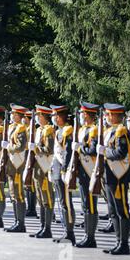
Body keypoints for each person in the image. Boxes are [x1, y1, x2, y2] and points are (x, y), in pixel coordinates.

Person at [99, 104, 130, 255]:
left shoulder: (121, 131)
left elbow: (121, 153)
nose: (106, 117)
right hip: (109, 175)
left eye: (108, 114)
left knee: (122, 210)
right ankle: (118, 241)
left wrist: (105, 151)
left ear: (114, 115)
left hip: (118, 176)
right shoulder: (109, 131)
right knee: (112, 210)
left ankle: (124, 244)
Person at [74, 102, 100, 248]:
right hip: (83, 169)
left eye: (84, 113)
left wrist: (80, 147)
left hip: (89, 169)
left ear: (88, 114)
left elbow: (92, 150)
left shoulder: (94, 130)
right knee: (85, 204)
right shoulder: (84, 129)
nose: (82, 116)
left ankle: (90, 237)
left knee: (90, 204)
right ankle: (87, 235)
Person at [28, 105, 55, 238]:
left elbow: (50, 149)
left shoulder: (49, 130)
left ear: (45, 117)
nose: (38, 118)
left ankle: (47, 228)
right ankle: (42, 226)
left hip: (45, 167)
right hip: (38, 167)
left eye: (39, 115)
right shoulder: (39, 130)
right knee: (40, 197)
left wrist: (37, 148)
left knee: (47, 198)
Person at [50, 105, 76, 245]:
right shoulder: (59, 130)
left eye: (55, 116)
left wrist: (65, 169)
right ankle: (66, 230)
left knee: (66, 202)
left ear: (60, 117)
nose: (53, 118)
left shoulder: (67, 131)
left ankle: (70, 232)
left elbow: (67, 152)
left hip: (63, 171)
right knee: (62, 202)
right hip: (58, 169)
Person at [2, 104, 28, 233]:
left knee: (18, 194)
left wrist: (8, 147)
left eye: (13, 114)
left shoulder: (21, 129)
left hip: (18, 164)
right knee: (13, 193)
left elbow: (20, 147)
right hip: (11, 164)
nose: (11, 116)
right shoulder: (12, 127)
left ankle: (20, 223)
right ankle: (16, 221)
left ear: (18, 115)